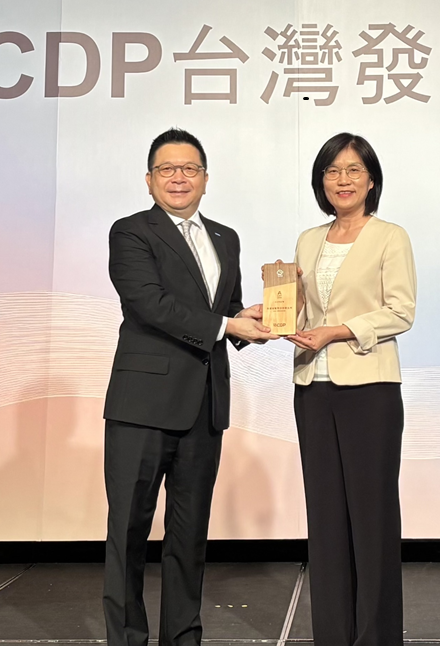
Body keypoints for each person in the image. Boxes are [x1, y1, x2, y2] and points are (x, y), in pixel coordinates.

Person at [103, 127, 277, 646]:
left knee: (189, 535)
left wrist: (251, 321)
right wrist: (227, 325)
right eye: (167, 169)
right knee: (128, 534)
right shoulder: (131, 232)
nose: (178, 178)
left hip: (204, 406)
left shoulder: (225, 237)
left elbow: (224, 310)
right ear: (149, 179)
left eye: (189, 169)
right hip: (141, 407)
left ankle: (183, 638)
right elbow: (149, 304)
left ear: (205, 178)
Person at [287, 132, 417, 646]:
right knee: (325, 520)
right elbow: (303, 313)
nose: (342, 180)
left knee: (372, 519)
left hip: (369, 388)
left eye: (353, 170)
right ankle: (333, 636)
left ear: (371, 180)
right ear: (321, 181)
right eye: (332, 171)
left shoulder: (390, 236)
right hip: (312, 388)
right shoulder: (308, 240)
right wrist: (277, 316)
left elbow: (400, 312)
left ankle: (376, 637)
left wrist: (338, 331)